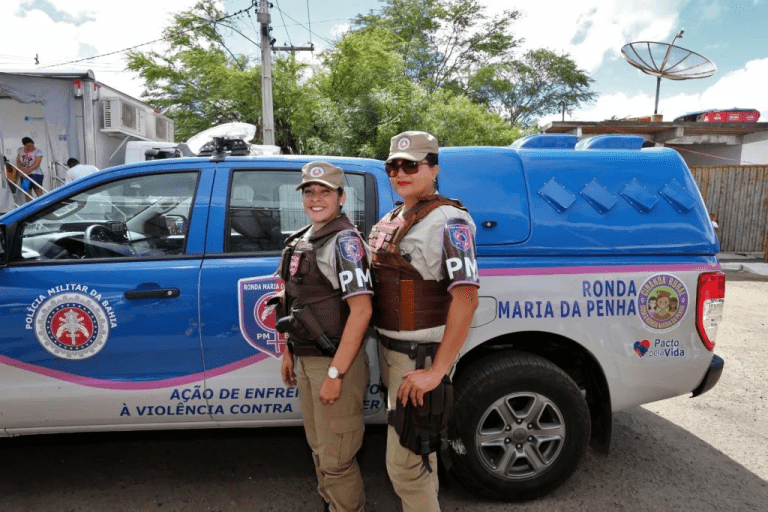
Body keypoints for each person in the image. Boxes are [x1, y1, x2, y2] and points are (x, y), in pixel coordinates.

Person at [368, 131, 479, 512]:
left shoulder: (450, 220)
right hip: (393, 354)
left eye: (411, 165)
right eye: (393, 166)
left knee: (402, 466)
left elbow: (465, 297)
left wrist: (437, 371)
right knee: (420, 449)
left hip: (419, 359)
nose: (400, 172)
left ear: (433, 169)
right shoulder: (395, 216)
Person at [278, 161, 373, 512]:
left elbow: (361, 311)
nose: (316, 198)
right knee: (320, 450)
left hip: (334, 365)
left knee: (336, 459)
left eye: (325, 192)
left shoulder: (344, 242)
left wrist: (336, 373)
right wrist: (289, 352)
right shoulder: (304, 237)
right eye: (309, 191)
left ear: (341, 197)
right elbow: (291, 298)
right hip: (307, 360)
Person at [16, 136, 44, 201]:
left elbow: (37, 163)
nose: (31, 148)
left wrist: (27, 170)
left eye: (32, 146)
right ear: (24, 145)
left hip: (36, 174)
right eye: (28, 146)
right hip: (24, 175)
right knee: (27, 192)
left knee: (38, 190)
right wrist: (22, 170)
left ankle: (44, 206)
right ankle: (31, 209)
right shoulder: (20, 150)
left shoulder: (38, 151)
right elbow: (18, 161)